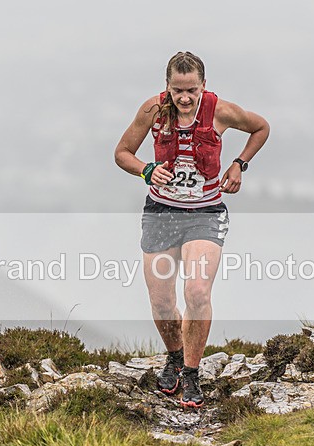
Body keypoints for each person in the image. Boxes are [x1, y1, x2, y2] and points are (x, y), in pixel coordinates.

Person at [114, 52, 269, 408]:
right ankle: (174, 355)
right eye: (177, 90)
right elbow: (122, 153)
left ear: (204, 85)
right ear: (166, 87)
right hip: (161, 212)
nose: (184, 98)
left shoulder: (220, 111)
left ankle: (191, 374)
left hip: (205, 212)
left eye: (192, 90)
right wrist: (146, 170)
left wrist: (239, 164)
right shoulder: (152, 111)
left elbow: (261, 127)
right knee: (162, 301)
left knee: (197, 291)